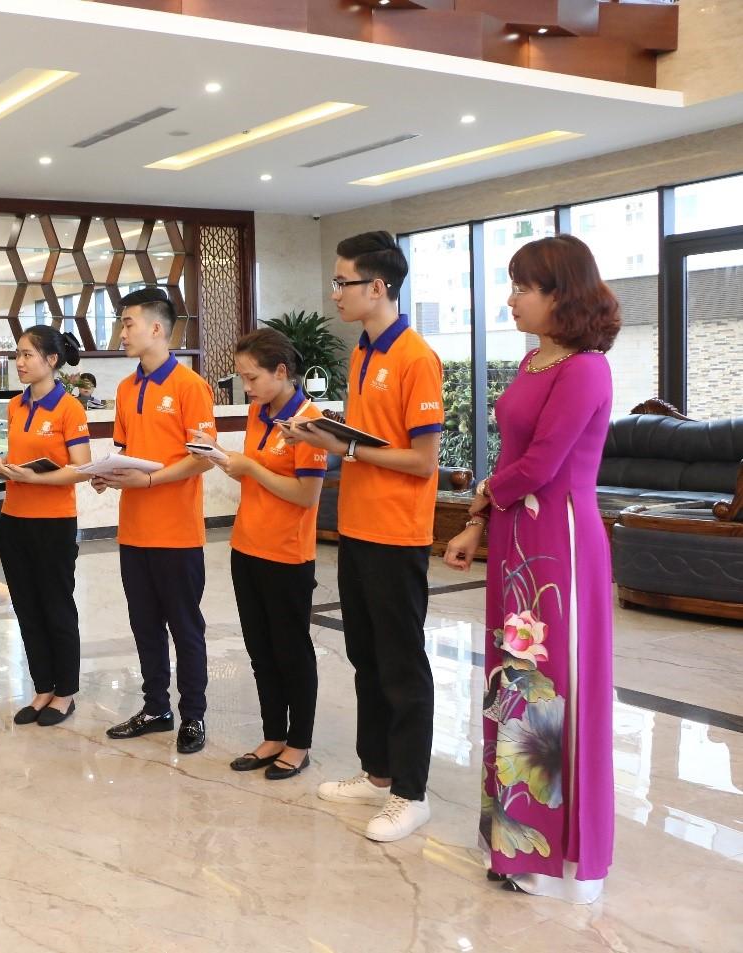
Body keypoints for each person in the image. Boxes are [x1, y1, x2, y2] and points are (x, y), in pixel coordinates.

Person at [444, 234, 619, 903]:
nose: (512, 299)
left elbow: (544, 463)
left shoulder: (586, 369)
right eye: (514, 285)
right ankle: (516, 837)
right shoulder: (533, 361)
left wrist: (485, 494)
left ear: (561, 294)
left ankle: (557, 858)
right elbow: (514, 459)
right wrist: (480, 520)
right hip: (519, 536)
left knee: (552, 687)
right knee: (514, 683)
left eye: (524, 287)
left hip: (560, 542)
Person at [287, 231, 443, 841]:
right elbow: (370, 436)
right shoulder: (362, 351)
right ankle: (378, 772)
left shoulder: (415, 357)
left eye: (342, 282)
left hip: (397, 532)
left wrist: (345, 447)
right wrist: (328, 435)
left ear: (377, 287)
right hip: (356, 525)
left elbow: (423, 460)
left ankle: (411, 792)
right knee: (366, 656)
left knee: (401, 663)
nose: (335, 294)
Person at [200, 328, 327, 781]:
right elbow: (253, 476)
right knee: (259, 649)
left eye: (252, 378)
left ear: (281, 371)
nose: (247, 387)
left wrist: (250, 466)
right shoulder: (260, 413)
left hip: (287, 555)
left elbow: (306, 495)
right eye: (242, 378)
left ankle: (299, 743)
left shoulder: (309, 423)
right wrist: (222, 458)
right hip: (247, 546)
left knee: (291, 650)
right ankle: (273, 734)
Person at [96, 287, 216, 754]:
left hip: (177, 532)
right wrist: (108, 474)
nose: (122, 333)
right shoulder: (126, 389)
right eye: (121, 324)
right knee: (144, 626)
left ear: (157, 328)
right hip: (134, 532)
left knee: (185, 628)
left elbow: (203, 458)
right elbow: (127, 450)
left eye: (128, 323)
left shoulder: (190, 386)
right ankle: (155, 708)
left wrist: (148, 481)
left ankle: (194, 716)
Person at [0, 327, 93, 726]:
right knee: (27, 608)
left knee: (56, 608)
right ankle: (43, 686)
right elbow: (20, 455)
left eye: (28, 355)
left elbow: (82, 469)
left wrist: (34, 478)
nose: (20, 362)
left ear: (52, 360)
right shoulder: (15, 405)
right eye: (18, 354)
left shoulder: (69, 408)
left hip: (53, 524)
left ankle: (66, 692)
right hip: (14, 521)